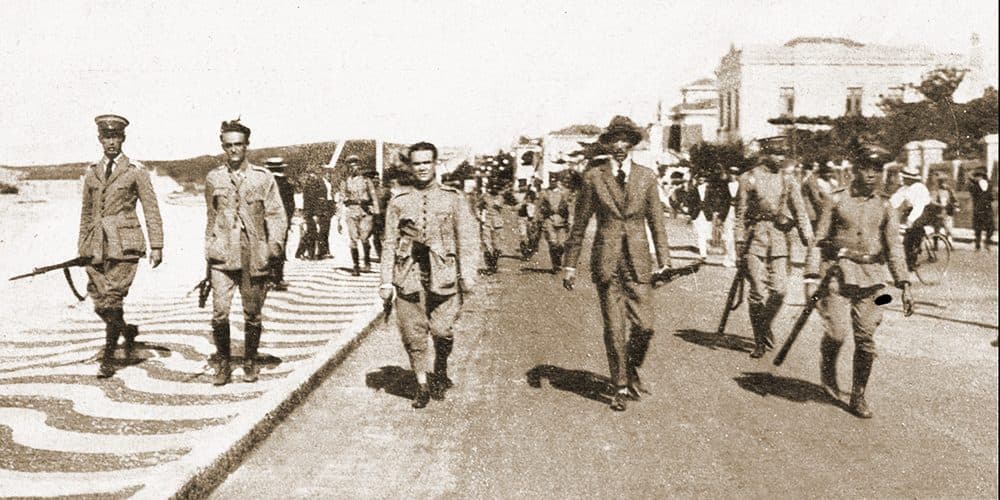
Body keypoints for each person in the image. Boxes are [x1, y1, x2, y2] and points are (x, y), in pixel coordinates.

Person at [562, 116, 672, 412]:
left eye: (625, 140)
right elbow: (579, 224)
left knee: (645, 326)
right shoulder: (593, 177)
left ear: (632, 144)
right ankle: (620, 386)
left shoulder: (647, 177)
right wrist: (570, 264)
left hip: (638, 261)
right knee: (614, 329)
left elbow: (657, 223)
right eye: (614, 140)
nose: (620, 145)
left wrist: (665, 260)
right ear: (608, 144)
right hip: (607, 261)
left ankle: (630, 365)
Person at [805, 144, 914, 418]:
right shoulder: (836, 199)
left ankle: (858, 395)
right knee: (837, 333)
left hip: (873, 279)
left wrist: (904, 284)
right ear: (855, 170)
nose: (872, 174)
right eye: (866, 168)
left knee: (866, 339)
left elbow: (894, 246)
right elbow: (818, 239)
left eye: (877, 169)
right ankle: (828, 367)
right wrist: (810, 276)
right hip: (837, 275)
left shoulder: (885, 205)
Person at [379, 141, 479, 409]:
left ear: (435, 164)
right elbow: (389, 242)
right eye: (417, 163)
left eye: (427, 162)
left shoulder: (453, 198)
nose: (422, 168)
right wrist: (385, 281)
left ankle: (441, 365)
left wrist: (468, 274)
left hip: (444, 275)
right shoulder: (399, 202)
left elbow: (467, 238)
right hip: (408, 276)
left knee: (442, 331)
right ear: (410, 167)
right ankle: (422, 385)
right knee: (413, 335)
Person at [78, 114, 164, 378]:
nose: (111, 142)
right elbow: (87, 213)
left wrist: (157, 245)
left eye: (115, 136)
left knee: (113, 298)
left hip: (125, 246)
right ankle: (125, 329)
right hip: (96, 247)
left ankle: (108, 359)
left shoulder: (135, 171)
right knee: (100, 302)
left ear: (123, 138)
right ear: (100, 139)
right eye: (106, 137)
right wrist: (82, 247)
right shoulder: (92, 172)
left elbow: (151, 209)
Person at [204, 119, 287, 385]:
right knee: (219, 312)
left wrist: (274, 247)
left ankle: (250, 360)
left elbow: (276, 215)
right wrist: (208, 250)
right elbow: (211, 217)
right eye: (228, 145)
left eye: (238, 144)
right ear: (222, 146)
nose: (233, 150)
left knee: (252, 313)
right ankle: (224, 362)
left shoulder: (263, 177)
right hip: (222, 255)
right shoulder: (214, 177)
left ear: (246, 145)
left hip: (253, 254)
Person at [735, 149, 813, 359]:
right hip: (754, 239)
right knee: (757, 292)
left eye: (783, 155)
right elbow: (740, 214)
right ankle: (759, 341)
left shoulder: (787, 179)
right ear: (766, 155)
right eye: (777, 154)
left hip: (779, 240)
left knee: (779, 290)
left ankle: (763, 324)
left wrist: (808, 237)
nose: (781, 159)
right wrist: (739, 243)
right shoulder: (748, 178)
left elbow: (800, 210)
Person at [338, 155, 380, 276]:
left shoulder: (366, 180)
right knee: (353, 240)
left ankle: (367, 261)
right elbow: (341, 198)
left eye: (355, 165)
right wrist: (339, 218)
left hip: (365, 212)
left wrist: (377, 214)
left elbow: (374, 197)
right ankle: (356, 266)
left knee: (364, 238)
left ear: (359, 166)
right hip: (351, 211)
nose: (353, 168)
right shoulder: (345, 181)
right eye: (350, 166)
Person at [889, 165, 932, 271]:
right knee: (905, 233)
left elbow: (919, 206)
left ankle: (914, 255)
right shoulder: (904, 188)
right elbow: (894, 201)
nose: (902, 179)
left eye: (905, 178)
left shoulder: (919, 188)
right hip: (911, 209)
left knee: (913, 232)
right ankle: (908, 255)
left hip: (924, 210)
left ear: (911, 179)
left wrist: (911, 220)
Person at [265, 157, 295, 291]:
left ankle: (267, 278)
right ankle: (278, 278)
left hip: (265, 220)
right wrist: (288, 220)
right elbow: (290, 205)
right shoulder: (287, 183)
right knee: (280, 248)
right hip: (282, 220)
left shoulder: (264, 183)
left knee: (266, 249)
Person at [535, 174, 572, 272]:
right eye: (551, 181)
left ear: (557, 182)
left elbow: (569, 207)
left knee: (562, 245)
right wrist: (537, 219)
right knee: (552, 243)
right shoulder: (544, 193)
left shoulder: (564, 192)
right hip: (549, 220)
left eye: (554, 181)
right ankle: (556, 265)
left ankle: (558, 260)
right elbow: (538, 206)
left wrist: (569, 220)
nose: (553, 183)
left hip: (561, 220)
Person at [298, 167, 327, 260]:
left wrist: (317, 213)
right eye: (310, 173)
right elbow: (305, 200)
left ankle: (307, 253)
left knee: (313, 232)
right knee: (311, 232)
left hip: (316, 212)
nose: (311, 175)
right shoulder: (308, 184)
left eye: (313, 173)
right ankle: (309, 253)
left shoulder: (320, 183)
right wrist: (305, 213)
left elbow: (321, 200)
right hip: (309, 212)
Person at [476, 182, 505, 274]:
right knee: (487, 244)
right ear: (490, 188)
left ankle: (494, 265)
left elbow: (502, 208)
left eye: (497, 188)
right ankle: (489, 266)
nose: (495, 189)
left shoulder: (500, 197)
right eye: (493, 187)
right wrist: (479, 215)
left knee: (497, 246)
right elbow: (477, 206)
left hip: (497, 224)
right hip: (487, 223)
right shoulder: (485, 196)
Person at [717, 166, 741, 268]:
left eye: (735, 174)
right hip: (727, 213)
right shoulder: (724, 186)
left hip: (738, 213)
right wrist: (720, 216)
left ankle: (736, 259)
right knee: (728, 237)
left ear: (737, 175)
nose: (732, 176)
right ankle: (728, 258)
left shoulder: (741, 186)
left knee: (738, 237)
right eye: (731, 173)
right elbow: (721, 202)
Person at [686, 173, 712, 261]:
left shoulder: (710, 189)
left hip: (707, 213)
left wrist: (715, 211)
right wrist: (689, 214)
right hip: (697, 213)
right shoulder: (693, 190)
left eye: (703, 177)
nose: (701, 178)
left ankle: (705, 248)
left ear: (705, 178)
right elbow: (690, 202)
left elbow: (714, 201)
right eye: (699, 177)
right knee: (700, 233)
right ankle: (703, 254)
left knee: (707, 233)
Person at [969, 170, 995, 251]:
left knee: (991, 228)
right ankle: (978, 246)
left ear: (981, 177)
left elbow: (992, 197)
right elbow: (971, 190)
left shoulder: (989, 186)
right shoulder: (974, 186)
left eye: (978, 176)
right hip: (978, 210)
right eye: (976, 176)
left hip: (987, 210)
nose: (977, 178)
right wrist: (972, 179)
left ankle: (987, 243)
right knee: (978, 229)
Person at [929, 175, 959, 244]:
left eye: (944, 181)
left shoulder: (949, 190)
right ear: (938, 182)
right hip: (938, 213)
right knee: (937, 230)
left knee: (948, 230)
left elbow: (954, 200)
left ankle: (949, 244)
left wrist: (956, 205)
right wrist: (939, 205)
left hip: (947, 213)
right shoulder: (935, 190)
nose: (943, 183)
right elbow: (932, 201)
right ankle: (935, 245)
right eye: (941, 181)